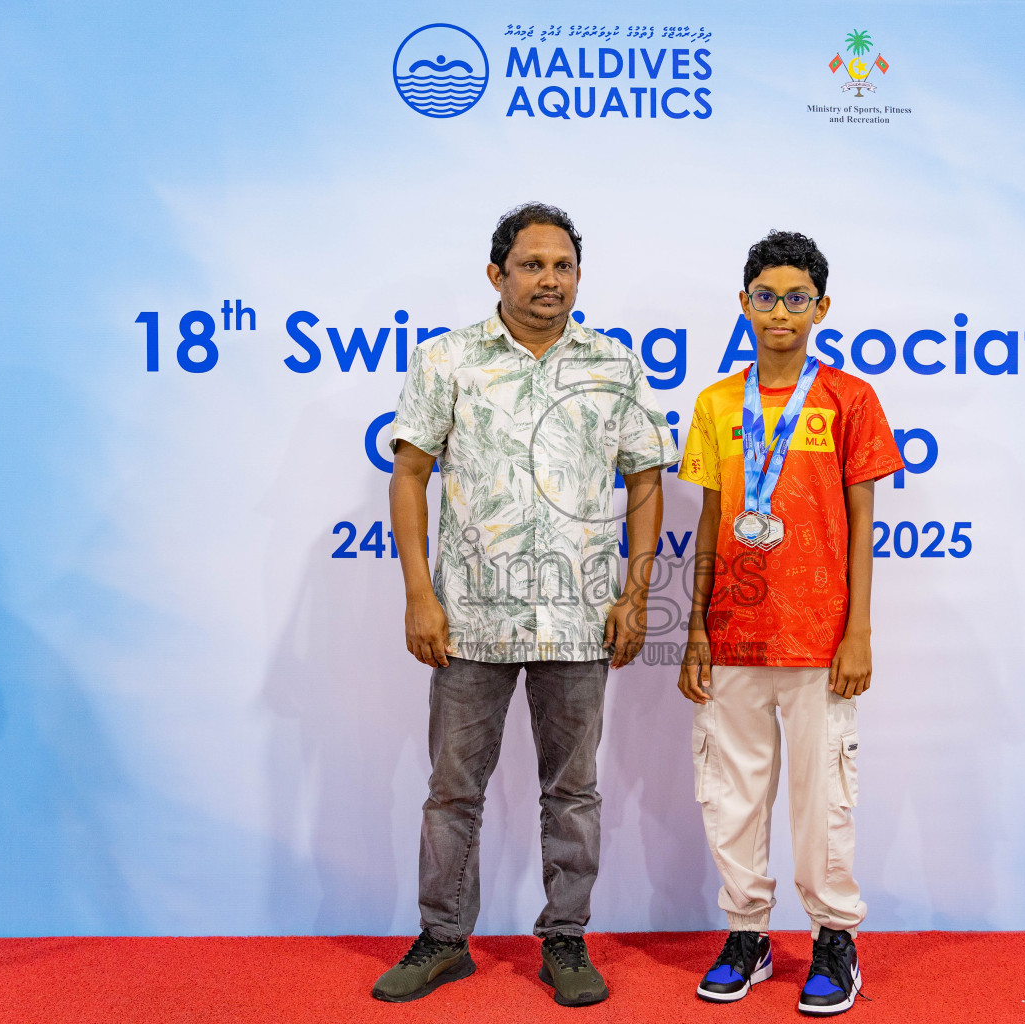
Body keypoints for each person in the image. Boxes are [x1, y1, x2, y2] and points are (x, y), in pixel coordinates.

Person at [373, 203, 678, 1007]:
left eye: (563, 266)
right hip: (470, 617)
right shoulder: (447, 360)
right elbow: (409, 474)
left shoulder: (611, 363)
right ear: (496, 273)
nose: (550, 280)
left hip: (579, 617)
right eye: (533, 264)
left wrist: (635, 594)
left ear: (578, 275)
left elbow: (646, 479)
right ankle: (443, 940)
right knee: (453, 790)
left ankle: (566, 942)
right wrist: (419, 593)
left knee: (572, 793)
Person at [677, 230, 904, 1015]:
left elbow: (862, 520)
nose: (780, 311)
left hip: (820, 637)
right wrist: (698, 628)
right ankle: (747, 932)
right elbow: (710, 521)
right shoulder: (715, 404)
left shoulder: (849, 399)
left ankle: (833, 938)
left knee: (822, 800)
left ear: (822, 308)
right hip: (735, 633)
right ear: (744, 304)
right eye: (766, 297)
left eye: (796, 298)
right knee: (730, 793)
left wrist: (859, 631)